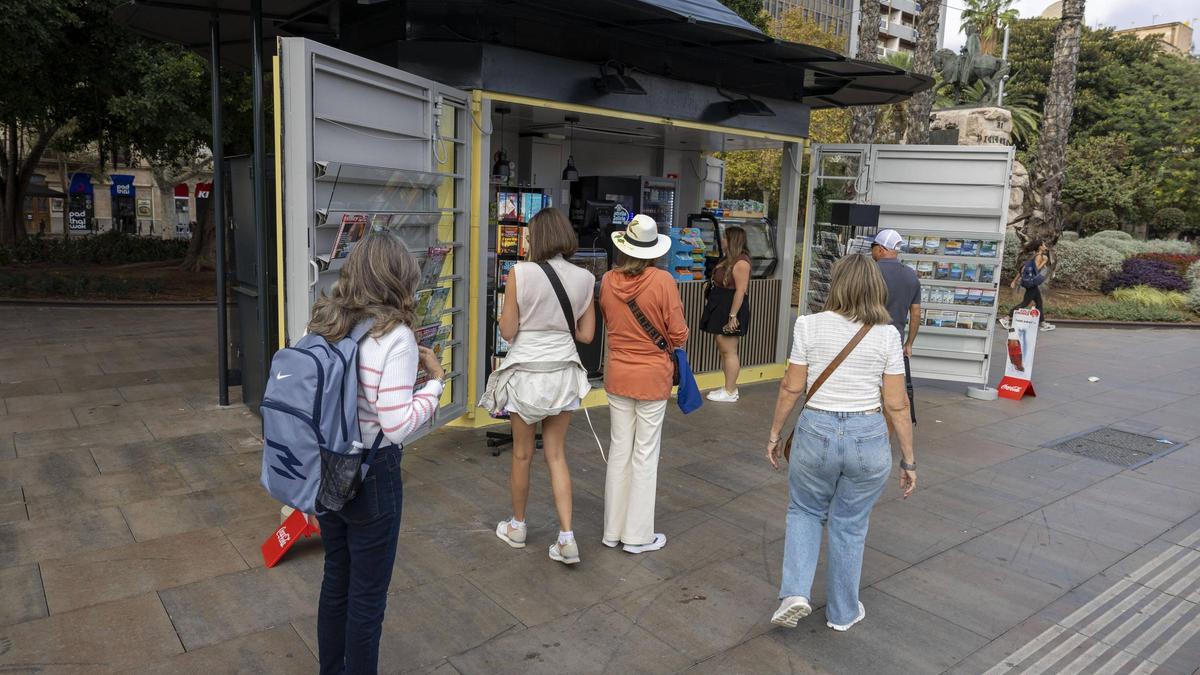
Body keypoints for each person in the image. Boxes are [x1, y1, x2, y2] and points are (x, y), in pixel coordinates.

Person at [306, 229, 445, 674]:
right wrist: (437, 383)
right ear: (399, 277)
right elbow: (397, 423)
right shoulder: (397, 337)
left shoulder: (325, 320)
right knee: (367, 598)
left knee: (336, 579)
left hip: (327, 466)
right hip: (371, 473)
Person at [765, 254, 916, 632]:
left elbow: (791, 387)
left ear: (837, 285)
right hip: (867, 434)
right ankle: (843, 613)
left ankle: (795, 593)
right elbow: (897, 403)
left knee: (804, 510)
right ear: (875, 288)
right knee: (850, 523)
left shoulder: (809, 326)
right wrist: (909, 461)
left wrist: (775, 434)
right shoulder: (887, 335)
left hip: (816, 429)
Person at [480, 208, 596, 565]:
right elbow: (586, 335)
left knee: (522, 454)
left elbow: (508, 331)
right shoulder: (585, 278)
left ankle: (517, 527)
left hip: (527, 372)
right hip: (563, 371)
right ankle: (567, 538)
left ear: (537, 236)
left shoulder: (520, 272)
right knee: (557, 454)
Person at [599, 214, 688, 553]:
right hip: (652, 375)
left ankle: (612, 531)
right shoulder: (663, 281)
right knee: (645, 454)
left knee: (619, 451)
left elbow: (609, 321)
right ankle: (637, 536)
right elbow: (678, 333)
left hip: (618, 373)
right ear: (652, 250)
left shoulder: (607, 280)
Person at [870, 229, 920, 423]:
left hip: (866, 339)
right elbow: (916, 313)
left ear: (882, 249)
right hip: (894, 342)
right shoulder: (910, 275)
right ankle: (886, 442)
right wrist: (909, 343)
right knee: (892, 396)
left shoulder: (870, 270)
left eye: (873, 247)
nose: (872, 252)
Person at [702, 226, 752, 403]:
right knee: (723, 349)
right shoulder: (729, 259)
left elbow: (740, 291)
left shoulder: (741, 263)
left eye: (725, 238)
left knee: (729, 350)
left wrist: (732, 316)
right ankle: (728, 387)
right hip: (721, 306)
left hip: (730, 309)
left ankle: (730, 391)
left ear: (733, 241)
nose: (722, 240)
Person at [1001, 238, 1055, 332]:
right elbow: (1036, 270)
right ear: (1040, 247)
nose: (1045, 246)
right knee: (1025, 303)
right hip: (1032, 284)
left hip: (1030, 283)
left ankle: (1042, 323)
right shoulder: (1039, 256)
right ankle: (1006, 318)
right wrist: (1044, 261)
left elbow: (1023, 269)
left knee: (1039, 302)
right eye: (1044, 245)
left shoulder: (1033, 256)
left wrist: (1014, 281)